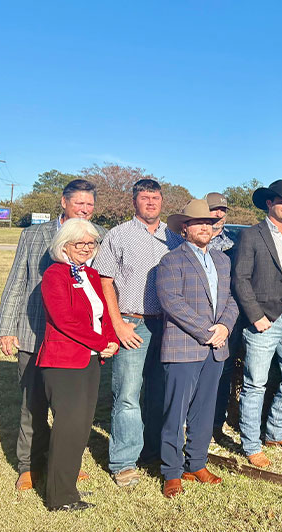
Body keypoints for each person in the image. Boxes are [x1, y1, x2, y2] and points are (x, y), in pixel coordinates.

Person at [0, 178, 105, 491]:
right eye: (78, 203)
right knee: (34, 404)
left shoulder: (97, 237)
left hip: (76, 339)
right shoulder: (34, 235)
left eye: (89, 205)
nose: (84, 210)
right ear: (63, 202)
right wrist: (6, 328)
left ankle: (68, 461)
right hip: (35, 331)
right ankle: (30, 465)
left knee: (73, 409)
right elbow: (17, 280)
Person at [94, 178, 184, 487]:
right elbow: (104, 281)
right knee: (129, 394)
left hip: (167, 325)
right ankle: (124, 461)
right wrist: (117, 323)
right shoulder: (117, 236)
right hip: (132, 322)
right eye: (144, 198)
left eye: (155, 198)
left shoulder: (173, 239)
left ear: (162, 202)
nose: (150, 203)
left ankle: (154, 450)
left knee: (160, 392)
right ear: (134, 201)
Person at [156, 199, 239, 498]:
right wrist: (208, 332)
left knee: (204, 409)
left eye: (208, 222)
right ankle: (172, 471)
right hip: (184, 346)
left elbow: (230, 300)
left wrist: (225, 328)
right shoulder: (171, 261)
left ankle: (197, 463)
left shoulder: (222, 261)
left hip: (216, 347)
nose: (205, 227)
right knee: (175, 411)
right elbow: (172, 303)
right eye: (197, 223)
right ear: (184, 228)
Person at [38, 218, 118, 511]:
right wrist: (99, 342)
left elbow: (104, 315)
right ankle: (59, 498)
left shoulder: (92, 275)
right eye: (79, 243)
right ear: (64, 246)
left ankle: (67, 487)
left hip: (90, 360)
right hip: (63, 362)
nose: (86, 248)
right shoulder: (55, 275)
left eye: (91, 243)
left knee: (81, 427)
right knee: (68, 426)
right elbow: (64, 320)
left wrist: (111, 341)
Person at [232, 180, 282, 468]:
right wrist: (256, 316)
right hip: (263, 320)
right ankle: (251, 445)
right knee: (255, 384)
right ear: (269, 204)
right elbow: (240, 278)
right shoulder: (252, 236)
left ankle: (276, 432)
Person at [205, 191, 241, 442]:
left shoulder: (236, 242)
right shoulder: (188, 239)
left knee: (223, 371)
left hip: (227, 316)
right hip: (197, 314)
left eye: (222, 210)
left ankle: (216, 425)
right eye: (213, 209)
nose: (218, 214)